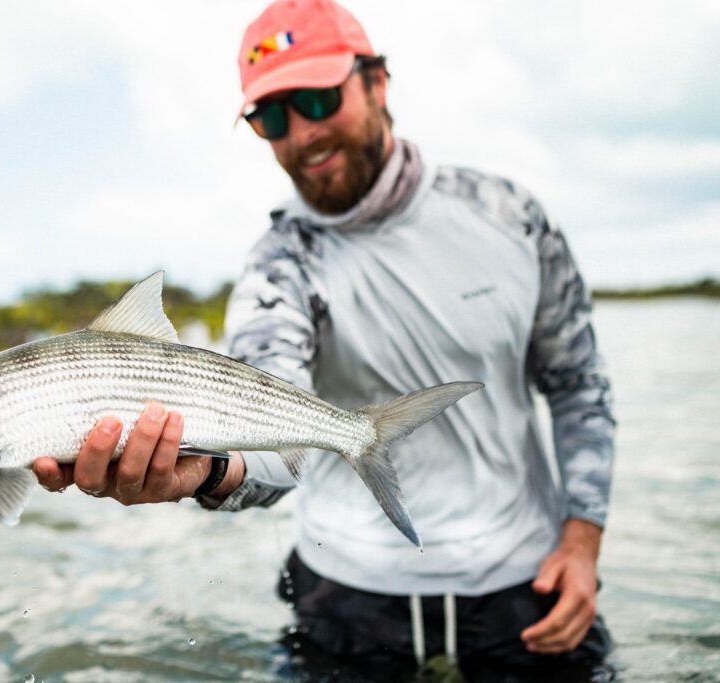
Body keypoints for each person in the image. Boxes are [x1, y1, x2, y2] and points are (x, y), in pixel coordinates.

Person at [33, 0, 616, 677]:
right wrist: (211, 470)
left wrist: (583, 540)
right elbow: (269, 429)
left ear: (377, 82)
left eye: (316, 98)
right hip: (346, 598)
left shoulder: (510, 217)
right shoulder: (281, 262)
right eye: (271, 117)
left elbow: (579, 387)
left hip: (527, 586)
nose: (301, 134)